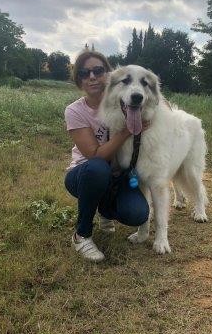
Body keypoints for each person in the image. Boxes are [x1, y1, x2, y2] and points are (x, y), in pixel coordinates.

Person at [64, 50, 149, 262]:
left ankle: (105, 211)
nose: (92, 77)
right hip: (85, 174)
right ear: (79, 80)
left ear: (109, 75)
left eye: (98, 70)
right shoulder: (75, 111)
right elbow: (94, 154)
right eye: (84, 73)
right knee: (98, 167)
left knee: (137, 214)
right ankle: (81, 235)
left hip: (118, 176)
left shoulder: (125, 99)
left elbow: (155, 101)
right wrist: (127, 131)